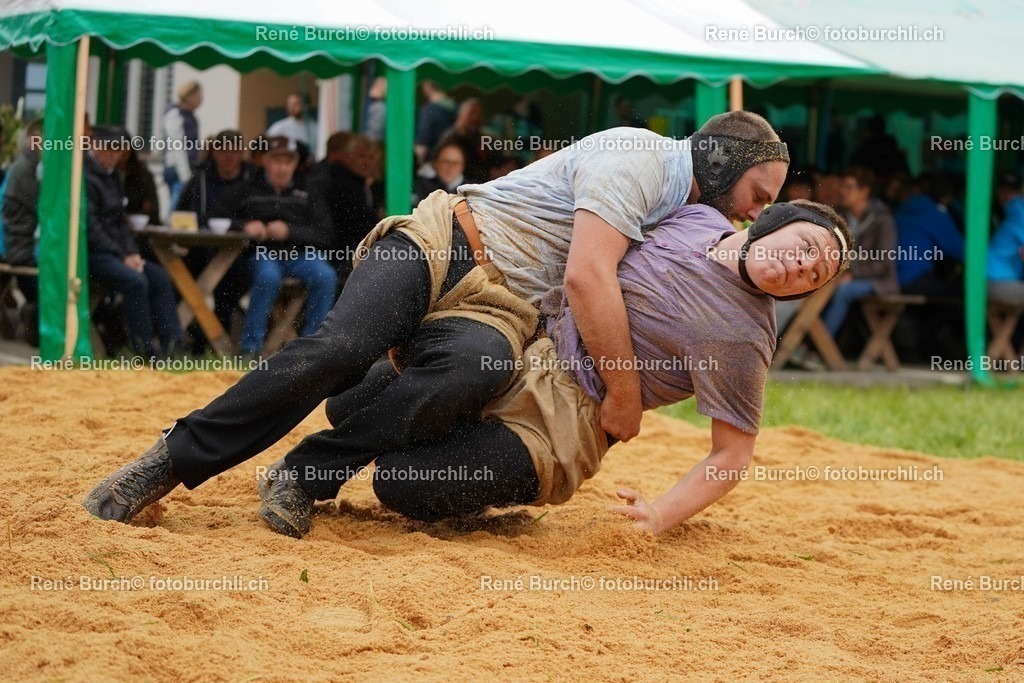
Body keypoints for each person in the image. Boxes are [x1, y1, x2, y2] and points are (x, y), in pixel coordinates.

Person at [81, 112, 791, 527]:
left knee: (457, 374)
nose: (757, 211)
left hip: (497, 307)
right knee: (339, 344)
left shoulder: (689, 216)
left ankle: (304, 472)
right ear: (724, 158)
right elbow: (586, 276)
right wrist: (628, 394)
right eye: (760, 191)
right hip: (447, 236)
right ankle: (169, 460)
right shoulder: (644, 157)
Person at [222, 136, 336, 355]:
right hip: (261, 253)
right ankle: (250, 348)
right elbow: (215, 218)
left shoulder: (309, 191)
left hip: (301, 254)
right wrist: (245, 226)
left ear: (295, 164)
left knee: (326, 276)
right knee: (267, 278)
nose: (282, 167)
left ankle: (314, 348)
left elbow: (325, 233)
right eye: (277, 161)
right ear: (265, 161)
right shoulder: (246, 189)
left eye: (288, 161)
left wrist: (290, 231)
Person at [85, 127, 183, 358]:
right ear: (94, 147)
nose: (112, 155)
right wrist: (123, 255)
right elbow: (91, 229)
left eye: (117, 150)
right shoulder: (84, 177)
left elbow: (121, 222)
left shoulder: (111, 175)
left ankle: (174, 347)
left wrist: (132, 252)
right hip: (92, 253)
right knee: (136, 282)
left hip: (116, 252)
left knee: (159, 278)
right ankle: (144, 350)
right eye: (107, 149)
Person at [177, 130, 256, 337]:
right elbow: (182, 214)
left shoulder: (253, 178)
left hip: (243, 253)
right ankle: (187, 334)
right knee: (177, 274)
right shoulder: (199, 178)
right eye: (223, 150)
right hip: (200, 249)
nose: (229, 156)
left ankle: (216, 337)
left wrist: (237, 225)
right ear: (214, 152)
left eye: (234, 150)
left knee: (230, 280)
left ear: (242, 154)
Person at [821, 166, 898, 338]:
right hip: (846, 276)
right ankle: (804, 343)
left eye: (849, 187)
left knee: (843, 292)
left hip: (879, 282)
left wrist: (853, 274)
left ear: (864, 191)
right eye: (842, 186)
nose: (843, 192)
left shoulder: (882, 219)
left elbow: (883, 264)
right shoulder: (842, 217)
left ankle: (818, 347)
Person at [305, 132, 382, 280]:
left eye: (371, 157)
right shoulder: (342, 184)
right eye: (361, 156)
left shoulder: (370, 185)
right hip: (343, 255)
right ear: (348, 157)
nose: (366, 162)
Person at [1, 118, 43, 346]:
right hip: (20, 247)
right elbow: (44, 209)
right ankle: (34, 316)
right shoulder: (25, 169)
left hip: (19, 243)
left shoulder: (30, 166)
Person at [895, 173, 965, 298]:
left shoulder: (904, 208)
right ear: (946, 198)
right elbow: (960, 251)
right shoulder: (935, 213)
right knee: (963, 293)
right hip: (913, 278)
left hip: (892, 277)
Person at [161, 80, 203, 212]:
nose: (201, 99)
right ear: (189, 96)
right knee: (177, 205)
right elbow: (177, 145)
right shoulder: (175, 115)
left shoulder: (191, 117)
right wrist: (184, 174)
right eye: (198, 95)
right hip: (178, 167)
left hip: (187, 165)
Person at [432, 99, 494, 184]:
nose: (475, 118)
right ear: (460, 116)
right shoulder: (450, 139)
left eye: (478, 114)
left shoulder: (482, 137)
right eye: (471, 113)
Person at [988, 176, 1024, 305]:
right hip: (999, 283)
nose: (1006, 195)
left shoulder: (1015, 210)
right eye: (1004, 190)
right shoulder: (1016, 210)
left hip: (996, 280)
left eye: (1011, 191)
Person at [414, 80, 457, 165]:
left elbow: (422, 144)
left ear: (428, 86)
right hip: (452, 160)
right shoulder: (456, 108)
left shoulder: (429, 110)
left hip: (432, 162)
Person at [362, 77, 387, 143]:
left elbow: (375, 129)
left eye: (377, 85)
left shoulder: (379, 106)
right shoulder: (378, 105)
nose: (373, 87)